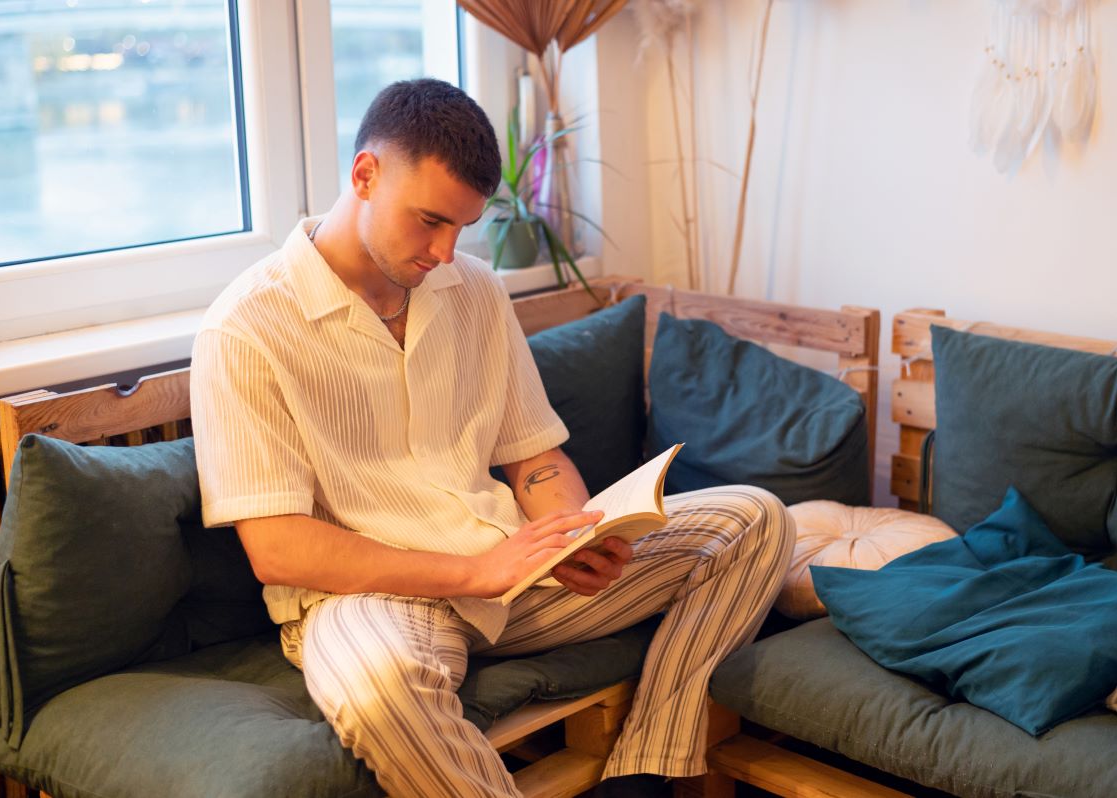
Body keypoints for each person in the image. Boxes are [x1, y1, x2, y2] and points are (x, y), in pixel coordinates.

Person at [190, 78, 794, 798]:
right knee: (381, 689)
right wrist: (477, 573)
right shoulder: (246, 328)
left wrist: (572, 535)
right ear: (364, 175)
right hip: (370, 598)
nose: (446, 253)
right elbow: (279, 548)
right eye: (429, 222)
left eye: (462, 229)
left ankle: (643, 771)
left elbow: (534, 458)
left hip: (515, 573)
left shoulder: (475, 291)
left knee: (756, 522)